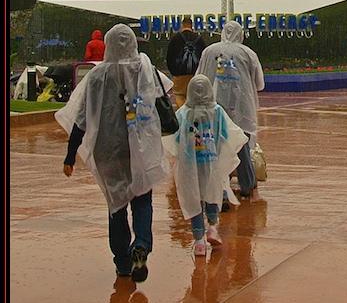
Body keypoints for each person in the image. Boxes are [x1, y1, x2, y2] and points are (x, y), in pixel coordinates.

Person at [55, 23, 172, 282]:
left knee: (116, 205)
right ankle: (141, 242)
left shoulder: (97, 76)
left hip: (107, 150)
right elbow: (163, 99)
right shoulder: (145, 70)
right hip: (140, 146)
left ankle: (122, 262)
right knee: (142, 199)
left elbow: (82, 118)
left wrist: (70, 153)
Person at [162, 74, 248, 257]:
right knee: (212, 193)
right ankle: (212, 227)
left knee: (193, 198)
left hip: (189, 166)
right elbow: (227, 135)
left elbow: (174, 137)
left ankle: (199, 241)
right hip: (211, 163)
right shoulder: (217, 112)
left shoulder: (183, 113)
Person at [196, 20, 265, 203]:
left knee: (217, 147)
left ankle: (222, 189)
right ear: (240, 34)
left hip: (214, 108)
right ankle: (247, 186)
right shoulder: (248, 53)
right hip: (242, 109)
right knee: (241, 145)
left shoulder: (209, 51)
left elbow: (199, 79)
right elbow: (259, 83)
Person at [166, 17, 206, 109]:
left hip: (179, 75)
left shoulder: (175, 38)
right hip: (195, 74)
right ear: (192, 26)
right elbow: (203, 56)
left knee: (179, 96)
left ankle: (182, 117)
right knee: (194, 97)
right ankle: (192, 118)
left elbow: (169, 57)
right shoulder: (199, 39)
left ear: (182, 25)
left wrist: (174, 73)